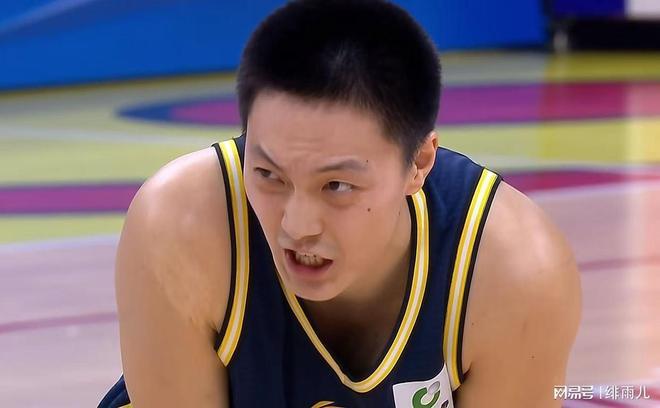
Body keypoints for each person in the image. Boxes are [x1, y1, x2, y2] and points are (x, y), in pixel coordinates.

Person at [99, 0, 581, 407]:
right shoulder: (178, 225)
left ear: (418, 162)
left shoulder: (513, 271)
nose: (297, 225)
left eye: (337, 186)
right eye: (268, 175)